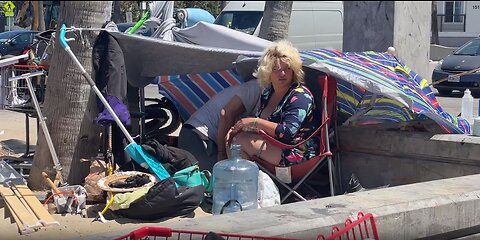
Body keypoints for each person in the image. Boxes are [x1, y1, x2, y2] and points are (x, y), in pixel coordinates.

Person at [226, 40, 320, 167]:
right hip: (276, 146)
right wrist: (239, 128)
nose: (282, 74)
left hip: (298, 152)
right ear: (268, 72)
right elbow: (262, 126)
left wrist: (253, 122)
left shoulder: (300, 96)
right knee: (232, 139)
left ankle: (247, 183)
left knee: (239, 143)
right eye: (276, 69)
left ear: (294, 70)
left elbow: (287, 132)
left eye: (287, 69)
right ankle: (249, 182)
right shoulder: (268, 92)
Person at [178, 79, 262, 171]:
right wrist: (222, 153)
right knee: (216, 180)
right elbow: (226, 113)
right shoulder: (255, 88)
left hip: (198, 135)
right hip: (199, 136)